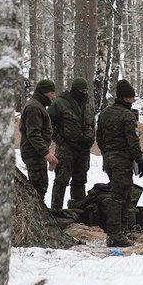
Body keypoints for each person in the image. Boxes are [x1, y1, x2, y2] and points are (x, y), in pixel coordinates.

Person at [95, 79, 143, 248]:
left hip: (109, 159)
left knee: (125, 194)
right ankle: (115, 234)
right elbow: (132, 141)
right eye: (132, 97)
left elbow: (99, 137)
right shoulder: (127, 116)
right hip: (121, 160)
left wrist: (106, 153)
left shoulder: (104, 113)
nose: (133, 100)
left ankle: (122, 231)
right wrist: (139, 159)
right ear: (126, 98)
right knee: (119, 197)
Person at [47, 77, 95, 211]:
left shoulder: (88, 104)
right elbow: (48, 124)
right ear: (74, 90)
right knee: (61, 181)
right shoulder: (60, 103)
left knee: (80, 181)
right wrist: (60, 140)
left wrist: (91, 138)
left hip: (83, 150)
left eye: (86, 90)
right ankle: (56, 211)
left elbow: (92, 124)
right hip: (66, 149)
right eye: (81, 90)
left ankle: (78, 210)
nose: (84, 93)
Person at [20, 79, 58, 198]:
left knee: (38, 187)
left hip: (35, 153)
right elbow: (33, 133)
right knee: (38, 189)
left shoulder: (37, 105)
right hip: (34, 154)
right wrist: (45, 152)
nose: (54, 96)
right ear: (44, 92)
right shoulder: (34, 108)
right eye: (52, 93)